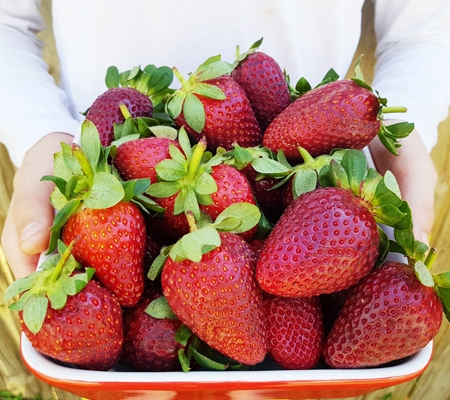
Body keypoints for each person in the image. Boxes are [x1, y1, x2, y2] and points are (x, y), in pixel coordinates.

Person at [1, 0, 449, 279]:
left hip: (323, 172)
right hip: (107, 174)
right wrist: (41, 132)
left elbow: (426, 29)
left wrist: (405, 121)